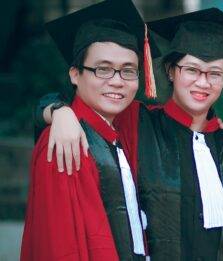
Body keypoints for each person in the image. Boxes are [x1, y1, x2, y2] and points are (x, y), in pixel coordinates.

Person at [34, 8, 223, 260]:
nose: (203, 82)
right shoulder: (138, 122)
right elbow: (91, 107)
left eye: (215, 73)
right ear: (170, 70)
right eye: (191, 70)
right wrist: (57, 110)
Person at [20, 0, 158, 259]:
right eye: (103, 69)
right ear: (75, 74)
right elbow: (59, 246)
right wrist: (58, 111)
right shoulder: (64, 143)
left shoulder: (125, 129)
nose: (117, 81)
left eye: (128, 71)